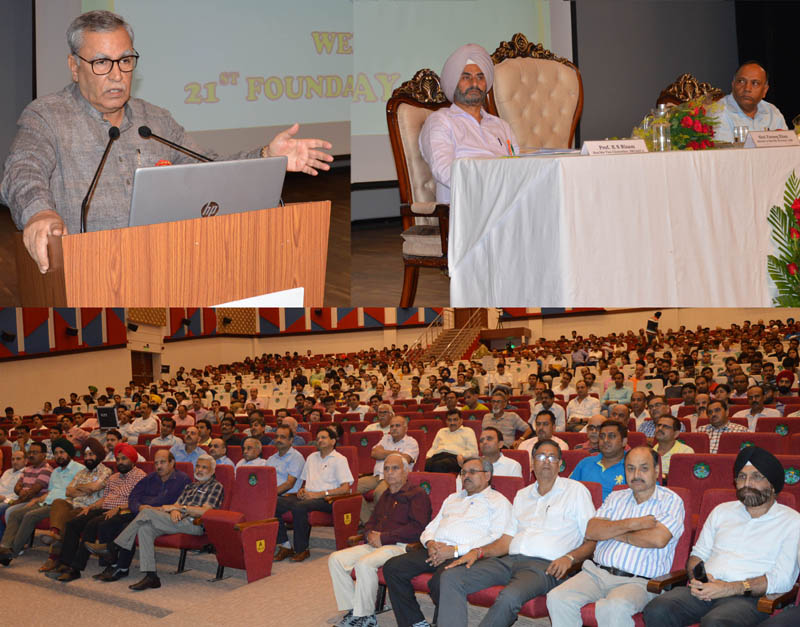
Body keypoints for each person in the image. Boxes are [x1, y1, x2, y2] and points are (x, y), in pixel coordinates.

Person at [2, 9, 334, 274]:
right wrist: (39, 214)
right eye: (102, 62)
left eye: (126, 61)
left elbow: (208, 168)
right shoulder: (46, 116)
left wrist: (266, 156)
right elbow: (22, 170)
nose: (117, 74)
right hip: (87, 273)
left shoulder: (156, 120)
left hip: (167, 266)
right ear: (74, 67)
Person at [437, 440, 596, 627]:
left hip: (544, 567)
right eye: (540, 456)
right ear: (532, 462)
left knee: (509, 596)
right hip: (509, 561)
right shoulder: (523, 494)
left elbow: (592, 538)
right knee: (451, 577)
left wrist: (570, 558)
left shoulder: (576, 491)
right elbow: (506, 539)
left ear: (560, 464)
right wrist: (479, 552)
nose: (546, 461)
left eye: (552, 457)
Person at [643, 446, 800, 627]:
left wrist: (728, 588)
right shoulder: (721, 511)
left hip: (748, 597)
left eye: (757, 477)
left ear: (773, 485)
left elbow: (782, 579)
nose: (747, 483)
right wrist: (701, 580)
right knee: (657, 608)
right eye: (742, 477)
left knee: (716, 622)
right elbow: (697, 555)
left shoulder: (792, 522)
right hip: (706, 588)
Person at [547, 447, 685, 627]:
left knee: (613, 607)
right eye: (630, 468)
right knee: (557, 597)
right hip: (595, 573)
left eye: (644, 468)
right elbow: (592, 530)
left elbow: (657, 539)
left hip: (638, 581)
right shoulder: (616, 496)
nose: (636, 474)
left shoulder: (671, 500)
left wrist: (614, 532)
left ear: (656, 470)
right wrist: (633, 524)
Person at [383, 457, 513, 627]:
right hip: (435, 550)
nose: (466, 476)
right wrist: (430, 544)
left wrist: (455, 550)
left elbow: (496, 538)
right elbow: (430, 527)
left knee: (441, 581)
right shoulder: (452, 498)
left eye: (472, 472)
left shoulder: (499, 502)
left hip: (466, 555)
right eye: (463, 472)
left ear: (487, 475)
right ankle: (415, 623)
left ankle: (442, 622)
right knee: (393, 568)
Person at [328, 454, 431, 627]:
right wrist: (369, 534)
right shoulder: (385, 495)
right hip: (377, 543)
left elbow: (418, 527)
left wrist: (384, 537)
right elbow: (371, 521)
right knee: (336, 559)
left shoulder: (417, 494)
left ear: (406, 471)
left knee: (364, 564)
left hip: (400, 546)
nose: (390, 472)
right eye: (386, 468)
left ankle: (367, 617)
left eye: (395, 468)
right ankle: (355, 611)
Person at [418, 43, 518, 203]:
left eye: (480, 77)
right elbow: (444, 171)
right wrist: (493, 187)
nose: (474, 84)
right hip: (465, 205)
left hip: (506, 201)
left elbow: (519, 167)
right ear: (453, 82)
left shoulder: (501, 126)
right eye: (466, 77)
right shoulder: (440, 121)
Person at [111, 454, 223, 590]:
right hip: (176, 520)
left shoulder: (216, 486)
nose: (199, 469)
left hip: (194, 523)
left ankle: (115, 546)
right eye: (198, 466)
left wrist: (180, 508)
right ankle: (151, 577)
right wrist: (174, 510)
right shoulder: (190, 486)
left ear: (212, 470)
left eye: (204, 467)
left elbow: (205, 511)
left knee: (146, 512)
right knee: (145, 528)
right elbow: (175, 505)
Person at [85, 448, 191, 582]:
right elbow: (133, 497)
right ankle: (111, 565)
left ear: (172, 463)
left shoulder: (183, 480)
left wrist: (155, 509)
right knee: (107, 523)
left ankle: (120, 565)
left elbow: (182, 503)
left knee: (126, 527)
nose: (158, 466)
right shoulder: (150, 478)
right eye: (156, 463)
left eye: (162, 462)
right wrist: (140, 506)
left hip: (162, 516)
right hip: (140, 512)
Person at [47, 443, 146, 581]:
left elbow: (137, 501)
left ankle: (76, 568)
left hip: (122, 511)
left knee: (91, 525)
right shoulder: (114, 477)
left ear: (132, 460)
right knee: (73, 523)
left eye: (124, 459)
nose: (120, 462)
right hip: (104, 508)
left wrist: (117, 508)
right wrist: (91, 507)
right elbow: (105, 498)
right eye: (118, 459)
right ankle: (65, 563)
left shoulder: (140, 476)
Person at [274, 426, 353, 563]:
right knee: (274, 502)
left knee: (300, 507)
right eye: (318, 438)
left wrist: (319, 494)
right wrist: (302, 490)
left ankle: (302, 549)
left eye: (323, 438)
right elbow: (306, 482)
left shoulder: (339, 459)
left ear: (333, 441)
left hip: (328, 499)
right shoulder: (311, 457)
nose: (319, 440)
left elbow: (345, 488)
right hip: (309, 497)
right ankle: (285, 545)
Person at [0, 438, 83, 564]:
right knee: (16, 513)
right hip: (45, 502)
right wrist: (37, 500)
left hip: (60, 505)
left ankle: (12, 553)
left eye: (62, 452)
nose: (58, 456)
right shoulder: (56, 471)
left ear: (69, 453)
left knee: (29, 515)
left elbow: (79, 491)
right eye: (56, 453)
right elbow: (50, 492)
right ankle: (4, 547)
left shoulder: (79, 469)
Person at [38, 438, 111, 572]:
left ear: (98, 455)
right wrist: (85, 489)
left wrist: (79, 488)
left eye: (91, 454)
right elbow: (68, 491)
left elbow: (94, 487)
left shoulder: (105, 471)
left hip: (88, 507)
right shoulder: (82, 472)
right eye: (86, 455)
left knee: (68, 520)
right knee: (58, 502)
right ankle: (55, 534)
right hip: (72, 503)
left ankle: (54, 557)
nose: (88, 458)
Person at [358, 415, 419, 524]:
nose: (394, 428)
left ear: (406, 428)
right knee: (353, 489)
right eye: (392, 426)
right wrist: (397, 454)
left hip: (394, 478)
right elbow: (374, 453)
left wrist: (384, 453)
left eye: (397, 426)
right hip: (376, 476)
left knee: (379, 493)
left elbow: (405, 459)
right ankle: (369, 522)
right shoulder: (386, 438)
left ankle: (382, 523)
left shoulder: (411, 442)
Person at [711, 61, 787, 144]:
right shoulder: (719, 113)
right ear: (733, 85)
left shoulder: (772, 112)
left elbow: (787, 149)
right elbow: (724, 153)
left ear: (765, 90)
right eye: (741, 81)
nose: (747, 88)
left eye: (755, 83)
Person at [0, 442, 52, 538]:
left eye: (18, 459)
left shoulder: (45, 469)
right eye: (13, 459)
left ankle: (9, 540)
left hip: (20, 500)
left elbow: (32, 492)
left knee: (8, 510)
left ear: (25, 461)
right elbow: (17, 488)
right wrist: (21, 491)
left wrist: (16, 499)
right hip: (19, 498)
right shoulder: (12, 471)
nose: (15, 462)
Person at [570, 421, 627, 500]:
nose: (605, 440)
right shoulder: (585, 463)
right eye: (602, 436)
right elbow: (569, 491)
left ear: (624, 442)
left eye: (612, 436)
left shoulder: (632, 466)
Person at [652, 415, 694, 479]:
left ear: (676, 434)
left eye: (666, 427)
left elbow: (682, 478)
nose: (660, 428)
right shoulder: (650, 452)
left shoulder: (686, 452)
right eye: (658, 425)